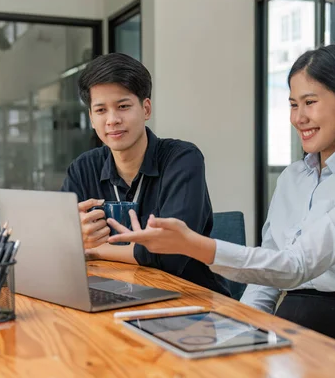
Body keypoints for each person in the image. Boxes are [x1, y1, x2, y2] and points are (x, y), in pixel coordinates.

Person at [105, 44, 335, 360]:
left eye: (310, 103)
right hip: (289, 328)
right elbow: (268, 279)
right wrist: (237, 328)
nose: (298, 117)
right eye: (292, 104)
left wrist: (195, 245)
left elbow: (296, 267)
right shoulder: (292, 178)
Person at [61, 53, 230, 296]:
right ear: (91, 118)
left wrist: (91, 249)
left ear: (146, 108)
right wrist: (71, 238)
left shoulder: (182, 159)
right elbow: (55, 246)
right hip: (109, 297)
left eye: (123, 106)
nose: (112, 120)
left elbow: (172, 254)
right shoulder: (83, 168)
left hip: (189, 303)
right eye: (101, 110)